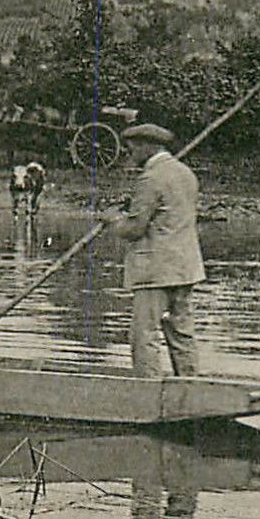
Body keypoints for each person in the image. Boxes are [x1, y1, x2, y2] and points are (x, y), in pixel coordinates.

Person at [110, 123, 205, 376]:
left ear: (146, 147)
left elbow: (134, 228)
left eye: (132, 150)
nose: (130, 156)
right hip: (186, 267)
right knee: (182, 332)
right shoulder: (186, 174)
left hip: (155, 270)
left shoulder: (150, 178)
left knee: (144, 333)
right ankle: (189, 387)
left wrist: (112, 221)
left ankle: (148, 392)